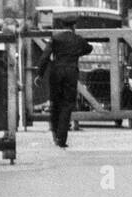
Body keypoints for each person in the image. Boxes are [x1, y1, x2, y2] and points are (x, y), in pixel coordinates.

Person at [35, 13, 93, 148]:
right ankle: (62, 138)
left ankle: (55, 133)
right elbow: (89, 48)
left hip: (56, 73)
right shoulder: (77, 39)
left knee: (55, 103)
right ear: (74, 26)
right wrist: (76, 53)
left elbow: (45, 57)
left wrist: (40, 74)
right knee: (67, 104)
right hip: (71, 73)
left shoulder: (55, 38)